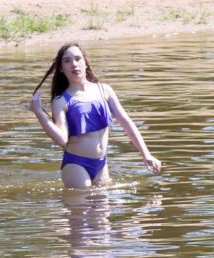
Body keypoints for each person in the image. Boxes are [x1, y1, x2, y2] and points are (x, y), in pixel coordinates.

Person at [26, 42, 161, 188]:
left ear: (86, 63)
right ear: (61, 69)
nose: (74, 64)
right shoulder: (60, 101)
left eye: (78, 59)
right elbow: (61, 140)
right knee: (82, 204)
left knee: (103, 210)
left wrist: (145, 153)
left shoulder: (105, 90)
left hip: (101, 164)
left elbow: (126, 122)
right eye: (67, 61)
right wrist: (39, 113)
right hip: (75, 164)